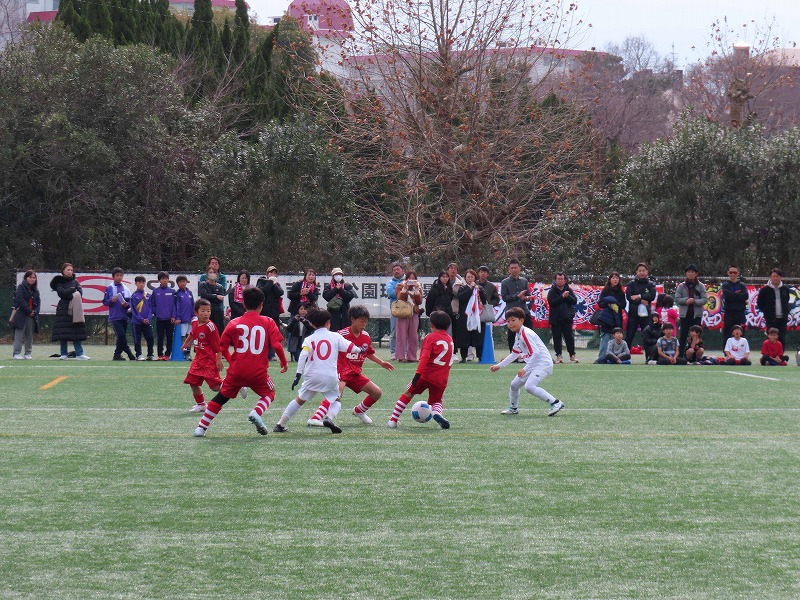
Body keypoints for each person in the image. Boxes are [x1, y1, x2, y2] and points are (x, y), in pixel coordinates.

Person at [193, 287, 288, 437]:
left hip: (236, 370)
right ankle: (256, 412)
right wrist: (284, 361)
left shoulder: (234, 323)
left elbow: (222, 347)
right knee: (270, 392)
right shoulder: (268, 321)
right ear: (261, 305)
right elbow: (276, 345)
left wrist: (232, 361)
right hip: (258, 372)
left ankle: (201, 428)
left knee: (221, 397)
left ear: (243, 304)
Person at [273, 308, 364, 434]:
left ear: (312, 324)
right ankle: (329, 418)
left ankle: (280, 424)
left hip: (312, 376)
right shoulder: (335, 336)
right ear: (328, 322)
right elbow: (351, 347)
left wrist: (298, 374)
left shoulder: (309, 339)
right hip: (330, 376)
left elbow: (303, 355)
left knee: (299, 400)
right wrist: (361, 350)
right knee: (336, 400)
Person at [306, 305, 395, 426]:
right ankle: (316, 417)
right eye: (361, 321)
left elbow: (368, 353)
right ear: (352, 319)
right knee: (337, 394)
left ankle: (359, 411)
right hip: (340, 371)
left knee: (377, 392)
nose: (364, 324)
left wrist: (381, 363)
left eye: (366, 321)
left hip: (355, 373)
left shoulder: (366, 336)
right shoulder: (341, 334)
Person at [490, 307, 563, 416]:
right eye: (508, 321)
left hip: (543, 363)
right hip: (534, 363)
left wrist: (525, 369)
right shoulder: (518, 335)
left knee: (529, 386)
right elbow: (514, 354)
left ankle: (556, 403)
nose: (510, 323)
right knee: (514, 385)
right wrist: (499, 366)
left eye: (513, 320)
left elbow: (536, 353)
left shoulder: (525, 333)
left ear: (521, 320)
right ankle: (513, 408)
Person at [387, 310, 454, 429]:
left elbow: (424, 358)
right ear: (448, 326)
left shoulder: (430, 337)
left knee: (408, 393)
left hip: (425, 375)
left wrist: (418, 375)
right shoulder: (450, 340)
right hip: (442, 378)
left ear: (431, 324)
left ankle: (393, 420)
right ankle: (437, 413)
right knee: (437, 401)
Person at [182, 299, 226, 412]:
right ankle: (201, 405)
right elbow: (192, 333)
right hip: (198, 360)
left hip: (208, 361)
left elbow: (218, 346)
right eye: (203, 311)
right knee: (192, 382)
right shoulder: (194, 321)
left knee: (215, 387)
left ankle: (235, 385)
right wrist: (186, 343)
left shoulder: (211, 327)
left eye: (208, 311)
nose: (206, 313)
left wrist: (219, 360)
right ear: (196, 312)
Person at [50, 263, 90, 360]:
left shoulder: (75, 281)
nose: (70, 272)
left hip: (75, 309)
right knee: (63, 332)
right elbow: (61, 293)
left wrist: (71, 293)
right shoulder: (59, 282)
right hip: (63, 309)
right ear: (63, 271)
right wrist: (72, 291)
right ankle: (63, 354)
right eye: (68, 270)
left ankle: (79, 354)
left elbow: (80, 292)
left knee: (76, 332)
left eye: (71, 270)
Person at [103, 267, 136, 361]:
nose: (119, 277)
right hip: (115, 316)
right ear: (113, 277)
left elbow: (130, 302)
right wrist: (111, 300)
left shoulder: (125, 288)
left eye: (121, 275)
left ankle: (117, 355)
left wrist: (126, 304)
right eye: (117, 275)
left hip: (124, 316)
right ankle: (129, 353)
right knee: (121, 336)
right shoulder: (110, 288)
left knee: (120, 337)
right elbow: (105, 301)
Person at [500, 259, 533, 352]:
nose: (513, 270)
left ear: (519, 269)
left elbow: (528, 295)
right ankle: (513, 354)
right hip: (511, 312)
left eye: (515, 268)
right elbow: (505, 298)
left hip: (524, 311)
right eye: (512, 268)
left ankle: (530, 353)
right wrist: (517, 296)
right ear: (509, 269)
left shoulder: (524, 281)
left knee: (529, 332)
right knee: (512, 334)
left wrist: (526, 298)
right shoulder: (505, 282)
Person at [675, 264, 708, 354]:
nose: (690, 274)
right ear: (686, 273)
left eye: (692, 272)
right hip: (684, 315)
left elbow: (704, 299)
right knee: (683, 335)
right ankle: (680, 355)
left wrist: (694, 301)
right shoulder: (681, 286)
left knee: (696, 336)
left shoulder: (701, 286)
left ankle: (696, 355)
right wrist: (686, 300)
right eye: (689, 272)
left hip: (696, 315)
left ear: (696, 273)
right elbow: (677, 299)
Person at [455, 269, 486, 363]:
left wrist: (479, 291)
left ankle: (480, 356)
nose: (470, 279)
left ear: (475, 278)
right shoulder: (462, 288)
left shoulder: (479, 288)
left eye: (472, 277)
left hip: (477, 316)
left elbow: (484, 300)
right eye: (468, 277)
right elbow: (462, 298)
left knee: (478, 336)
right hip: (465, 316)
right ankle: (463, 356)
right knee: (464, 336)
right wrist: (470, 289)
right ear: (465, 278)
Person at [547, 272, 578, 364]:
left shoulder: (569, 290)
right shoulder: (552, 291)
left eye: (562, 279)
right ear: (555, 280)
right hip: (555, 319)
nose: (560, 281)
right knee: (557, 338)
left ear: (565, 280)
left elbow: (574, 301)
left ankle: (572, 356)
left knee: (569, 337)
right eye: (558, 279)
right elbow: (551, 302)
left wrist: (567, 296)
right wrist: (562, 297)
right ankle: (559, 356)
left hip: (567, 318)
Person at [625, 262, 657, 350]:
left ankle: (649, 355)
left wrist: (639, 296)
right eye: (639, 271)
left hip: (646, 315)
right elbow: (629, 297)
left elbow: (652, 296)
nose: (642, 272)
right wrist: (642, 300)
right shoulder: (631, 284)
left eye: (643, 270)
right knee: (629, 336)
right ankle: (625, 355)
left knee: (647, 336)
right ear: (636, 272)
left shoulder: (651, 284)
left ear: (647, 272)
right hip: (633, 314)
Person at [595, 272, 625, 363]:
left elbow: (623, 304)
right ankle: (601, 358)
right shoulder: (605, 291)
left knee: (616, 340)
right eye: (613, 278)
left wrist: (615, 304)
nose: (615, 280)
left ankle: (614, 359)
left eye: (617, 278)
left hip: (617, 319)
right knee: (605, 339)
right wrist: (608, 304)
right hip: (606, 319)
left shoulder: (621, 292)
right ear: (610, 280)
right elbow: (601, 303)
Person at [756, 268, 791, 348]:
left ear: (780, 277)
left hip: (782, 319)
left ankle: (780, 355)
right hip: (770, 319)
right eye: (774, 276)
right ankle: (769, 354)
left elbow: (787, 301)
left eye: (777, 276)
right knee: (770, 339)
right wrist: (767, 312)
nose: (775, 278)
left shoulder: (785, 289)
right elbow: (760, 303)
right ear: (770, 277)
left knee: (781, 338)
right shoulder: (764, 290)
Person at [395, 270, 424, 362]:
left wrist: (416, 291)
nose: (411, 280)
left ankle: (412, 357)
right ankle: (401, 356)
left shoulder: (418, 287)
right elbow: (400, 298)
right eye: (409, 278)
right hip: (403, 312)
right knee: (401, 335)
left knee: (413, 336)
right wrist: (405, 289)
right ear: (406, 278)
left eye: (413, 278)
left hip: (414, 312)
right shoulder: (400, 286)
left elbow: (419, 302)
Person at [12, 270, 40, 360]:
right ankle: (16, 353)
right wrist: (28, 311)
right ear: (26, 278)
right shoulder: (21, 287)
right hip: (21, 315)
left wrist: (35, 311)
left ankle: (28, 353)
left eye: (34, 277)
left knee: (29, 336)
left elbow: (38, 302)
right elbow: (20, 300)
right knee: (19, 335)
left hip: (32, 317)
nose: (32, 279)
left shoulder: (35, 290)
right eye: (30, 277)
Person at [322, 267, 357, 332]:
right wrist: (335, 289)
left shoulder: (347, 286)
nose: (338, 276)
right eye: (336, 274)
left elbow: (350, 296)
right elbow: (326, 296)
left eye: (340, 274)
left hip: (345, 316)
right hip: (333, 316)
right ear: (333, 276)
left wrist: (341, 289)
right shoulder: (328, 286)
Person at [130, 275, 155, 361]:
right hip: (136, 322)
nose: (141, 284)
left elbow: (150, 308)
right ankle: (138, 354)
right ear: (136, 284)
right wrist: (141, 319)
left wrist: (148, 318)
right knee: (137, 339)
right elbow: (134, 311)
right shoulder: (134, 296)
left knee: (150, 338)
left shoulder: (148, 295)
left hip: (147, 321)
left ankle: (150, 354)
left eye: (143, 283)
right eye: (139, 282)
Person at [151, 272, 175, 361]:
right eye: (162, 279)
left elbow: (174, 305)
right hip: (159, 319)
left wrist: (173, 316)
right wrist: (156, 313)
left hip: (170, 319)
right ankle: (160, 355)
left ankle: (167, 354)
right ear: (159, 280)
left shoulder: (172, 291)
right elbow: (152, 304)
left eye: (166, 278)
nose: (164, 280)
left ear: (168, 280)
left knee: (169, 337)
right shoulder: (155, 291)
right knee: (160, 337)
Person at [722, 265, 748, 341]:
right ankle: (726, 349)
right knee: (727, 334)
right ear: (728, 273)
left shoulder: (742, 285)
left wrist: (732, 296)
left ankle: (741, 348)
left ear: (738, 273)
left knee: (741, 334)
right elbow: (726, 295)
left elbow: (745, 296)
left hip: (740, 312)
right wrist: (739, 296)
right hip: (729, 312)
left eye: (735, 272)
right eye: (731, 272)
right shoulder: (725, 285)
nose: (733, 274)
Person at [172, 275, 194, 360]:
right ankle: (182, 353)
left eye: (184, 281)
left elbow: (192, 305)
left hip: (190, 319)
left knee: (190, 337)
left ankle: (188, 353)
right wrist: (177, 317)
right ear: (177, 284)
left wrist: (194, 316)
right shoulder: (177, 294)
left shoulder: (189, 293)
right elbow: (176, 307)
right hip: (182, 320)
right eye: (180, 282)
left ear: (186, 282)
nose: (182, 283)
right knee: (182, 337)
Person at [386, 262, 405, 360]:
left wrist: (398, 291)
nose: (396, 271)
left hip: (407, 310)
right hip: (395, 310)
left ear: (402, 270)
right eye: (394, 270)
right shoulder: (390, 282)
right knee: (393, 332)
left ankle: (405, 352)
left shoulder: (408, 280)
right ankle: (393, 352)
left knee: (405, 332)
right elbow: (391, 293)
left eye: (398, 269)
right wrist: (403, 292)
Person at [198, 268, 226, 333]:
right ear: (207, 275)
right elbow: (204, 295)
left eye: (214, 272)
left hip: (218, 312)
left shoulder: (220, 287)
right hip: (206, 312)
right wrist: (216, 296)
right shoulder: (203, 284)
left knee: (218, 332)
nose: (212, 274)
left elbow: (220, 299)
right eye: (210, 272)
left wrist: (210, 297)